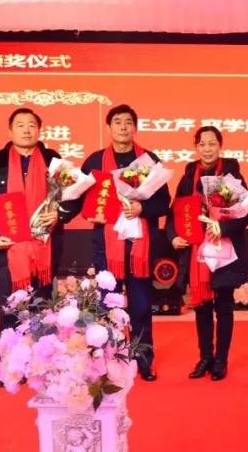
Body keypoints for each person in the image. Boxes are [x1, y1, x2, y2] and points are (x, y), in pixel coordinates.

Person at [0, 108, 80, 388]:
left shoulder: (54, 162)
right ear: (10, 131)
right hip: (7, 253)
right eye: (20, 125)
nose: (26, 130)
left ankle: (42, 366)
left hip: (45, 250)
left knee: (43, 311)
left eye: (31, 125)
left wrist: (60, 214)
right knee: (9, 311)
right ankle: (8, 367)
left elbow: (75, 197)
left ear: (39, 130)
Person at [81, 104, 171, 382]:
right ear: (109, 127)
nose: (123, 126)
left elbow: (163, 202)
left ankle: (143, 359)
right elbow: (82, 199)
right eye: (117, 121)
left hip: (139, 246)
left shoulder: (149, 160)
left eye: (128, 122)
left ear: (135, 127)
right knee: (107, 304)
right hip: (106, 245)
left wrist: (143, 208)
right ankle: (108, 360)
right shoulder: (95, 161)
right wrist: (92, 213)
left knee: (141, 306)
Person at [167, 126, 248, 381]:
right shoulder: (188, 177)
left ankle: (221, 360)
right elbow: (174, 213)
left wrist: (222, 228)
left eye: (212, 143)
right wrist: (173, 236)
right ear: (196, 147)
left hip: (223, 250)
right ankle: (205, 357)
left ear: (220, 146)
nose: (207, 149)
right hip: (196, 252)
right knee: (202, 307)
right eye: (202, 144)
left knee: (223, 307)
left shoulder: (232, 174)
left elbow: (245, 212)